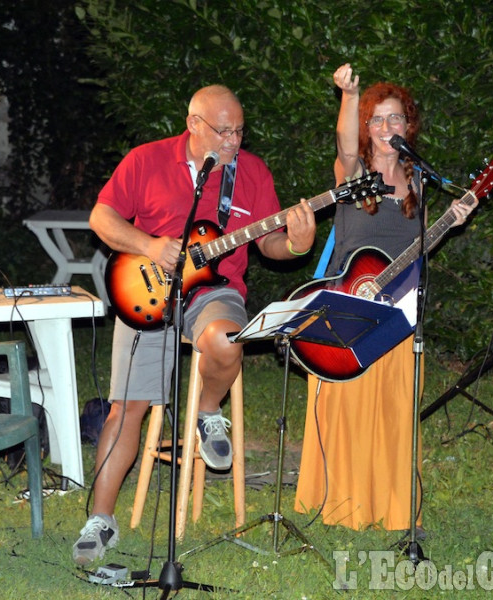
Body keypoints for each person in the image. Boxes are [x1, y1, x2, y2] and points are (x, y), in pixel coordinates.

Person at [73, 84, 316, 565]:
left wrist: (297, 245)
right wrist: (146, 245)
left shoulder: (252, 173)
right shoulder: (147, 160)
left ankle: (207, 411)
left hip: (215, 291)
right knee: (126, 410)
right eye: (222, 131)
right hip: (147, 290)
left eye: (239, 131)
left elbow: (269, 245)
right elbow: (101, 217)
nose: (233, 141)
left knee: (226, 341)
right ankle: (100, 519)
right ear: (193, 125)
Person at [294, 64, 476, 533]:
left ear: (407, 127)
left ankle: (392, 506)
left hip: (398, 313)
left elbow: (414, 252)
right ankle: (341, 504)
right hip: (349, 308)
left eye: (395, 119)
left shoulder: (418, 183)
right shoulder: (352, 174)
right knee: (350, 412)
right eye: (377, 120)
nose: (386, 128)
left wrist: (449, 223)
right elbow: (343, 144)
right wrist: (350, 96)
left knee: (394, 415)